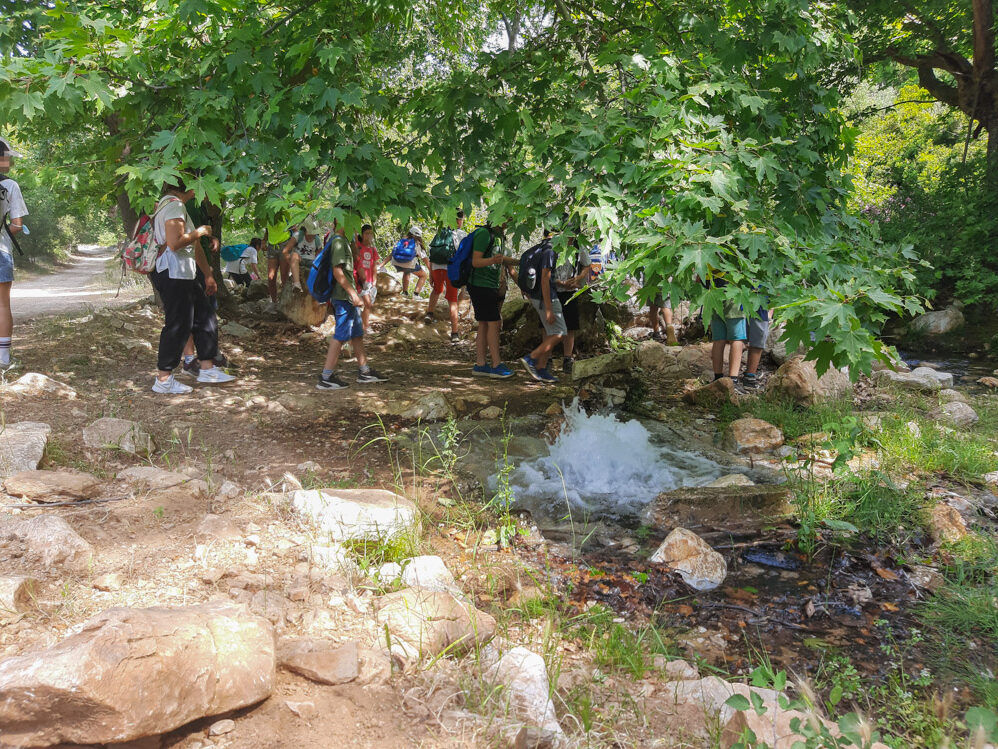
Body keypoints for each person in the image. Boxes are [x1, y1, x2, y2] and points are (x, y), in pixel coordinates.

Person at [150, 177, 235, 394]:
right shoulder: (174, 205)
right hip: (173, 273)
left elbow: (194, 247)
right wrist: (201, 231)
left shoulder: (173, 206)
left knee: (205, 316)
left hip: (186, 273)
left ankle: (207, 368)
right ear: (188, 185)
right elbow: (175, 243)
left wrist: (208, 275)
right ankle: (164, 379)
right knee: (178, 324)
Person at [317, 219, 388, 390]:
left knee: (356, 333)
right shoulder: (339, 242)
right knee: (341, 335)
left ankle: (365, 372)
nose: (355, 225)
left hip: (349, 296)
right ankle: (326, 377)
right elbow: (337, 270)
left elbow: (355, 264)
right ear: (340, 220)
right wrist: (353, 294)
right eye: (352, 220)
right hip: (343, 298)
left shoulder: (347, 241)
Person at [468, 223, 516, 378]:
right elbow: (475, 261)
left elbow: (502, 259)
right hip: (481, 285)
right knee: (494, 323)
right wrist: (492, 261)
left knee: (484, 323)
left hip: (489, 285)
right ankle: (496, 365)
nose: (508, 220)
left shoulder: (499, 236)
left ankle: (480, 364)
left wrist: (521, 261)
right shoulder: (484, 234)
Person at [520, 229, 566, 384]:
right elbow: (544, 279)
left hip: (536, 296)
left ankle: (541, 369)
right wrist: (548, 309)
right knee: (560, 333)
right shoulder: (550, 250)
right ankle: (531, 358)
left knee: (550, 333)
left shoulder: (537, 249)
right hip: (547, 298)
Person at [0, 138, 26, 371]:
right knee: (2, 304)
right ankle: (3, 358)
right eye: (6, 156)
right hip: (1, 250)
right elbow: (17, 224)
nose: (8, 161)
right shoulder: (10, 186)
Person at [425, 210, 466, 342]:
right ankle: (455, 333)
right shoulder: (461, 234)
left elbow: (431, 252)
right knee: (452, 299)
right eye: (462, 220)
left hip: (437, 267)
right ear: (459, 220)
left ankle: (429, 314)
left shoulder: (441, 231)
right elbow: (464, 255)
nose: (461, 222)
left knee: (437, 289)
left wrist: (431, 273)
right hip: (451, 269)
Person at [553, 235, 591, 376]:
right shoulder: (553, 245)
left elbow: (587, 265)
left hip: (571, 291)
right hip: (553, 290)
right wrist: (558, 282)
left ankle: (567, 358)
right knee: (549, 323)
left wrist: (578, 278)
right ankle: (547, 356)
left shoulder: (578, 246)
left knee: (570, 326)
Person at [284, 220, 324, 292]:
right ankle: (297, 284)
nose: (312, 236)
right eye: (310, 234)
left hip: (311, 261)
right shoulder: (298, 236)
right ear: (305, 231)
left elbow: (319, 255)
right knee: (294, 255)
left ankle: (319, 291)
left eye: (313, 234)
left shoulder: (317, 240)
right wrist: (291, 264)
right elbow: (285, 251)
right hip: (299, 259)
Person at [353, 224, 380, 330]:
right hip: (358, 280)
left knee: (368, 305)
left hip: (368, 281)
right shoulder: (357, 246)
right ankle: (362, 327)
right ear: (362, 234)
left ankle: (364, 326)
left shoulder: (373, 250)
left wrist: (374, 282)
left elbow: (374, 266)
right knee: (364, 304)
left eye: (371, 233)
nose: (369, 236)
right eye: (366, 233)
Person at [391, 225, 428, 297]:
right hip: (409, 264)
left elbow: (392, 253)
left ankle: (405, 293)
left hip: (397, 262)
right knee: (423, 275)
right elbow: (425, 258)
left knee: (407, 271)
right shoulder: (417, 243)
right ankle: (416, 294)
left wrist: (382, 265)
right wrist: (431, 270)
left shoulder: (402, 241)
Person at [743, 306, 773, 389]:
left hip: (761, 307)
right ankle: (735, 376)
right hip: (741, 306)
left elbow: (777, 293)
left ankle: (749, 376)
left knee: (757, 341)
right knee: (738, 341)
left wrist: (771, 311)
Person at [266, 228, 291, 303]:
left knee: (284, 277)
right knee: (271, 277)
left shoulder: (286, 216)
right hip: (271, 246)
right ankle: (274, 302)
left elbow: (294, 228)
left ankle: (285, 302)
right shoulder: (267, 216)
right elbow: (268, 229)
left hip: (284, 244)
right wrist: (264, 240)